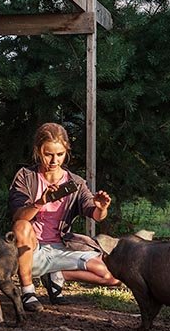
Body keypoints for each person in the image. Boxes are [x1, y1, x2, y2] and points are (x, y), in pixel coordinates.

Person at [9, 122, 121, 311]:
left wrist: (101, 208)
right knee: (22, 226)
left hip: (62, 247)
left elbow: (94, 213)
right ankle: (27, 290)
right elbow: (18, 216)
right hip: (30, 250)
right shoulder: (25, 176)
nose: (54, 161)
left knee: (113, 277)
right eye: (48, 154)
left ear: (66, 151)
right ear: (38, 151)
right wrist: (40, 202)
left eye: (59, 154)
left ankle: (57, 275)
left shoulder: (75, 183)